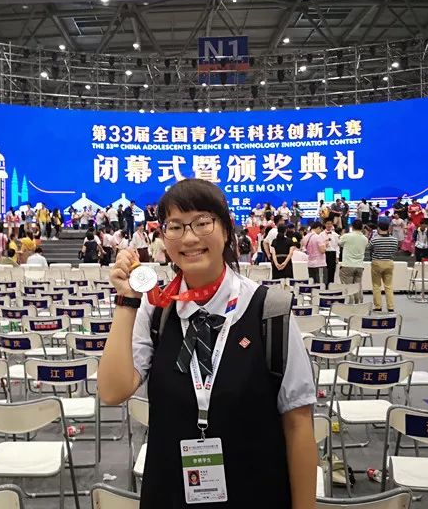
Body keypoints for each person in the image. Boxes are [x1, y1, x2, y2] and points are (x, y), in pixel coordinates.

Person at [99, 178, 317, 509]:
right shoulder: (156, 312)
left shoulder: (269, 311)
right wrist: (127, 301)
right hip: (171, 491)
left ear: (227, 229)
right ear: (164, 238)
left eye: (202, 222)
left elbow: (298, 424)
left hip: (255, 492)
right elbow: (112, 391)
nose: (189, 238)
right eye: (175, 226)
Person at [368, 222, 398, 312]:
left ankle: (378, 306)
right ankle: (390, 307)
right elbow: (395, 250)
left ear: (378, 228)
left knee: (376, 285)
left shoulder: (374, 240)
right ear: (388, 228)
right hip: (389, 262)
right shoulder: (394, 240)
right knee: (388, 286)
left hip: (377, 263)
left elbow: (369, 249)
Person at [339, 220, 368, 303]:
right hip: (359, 266)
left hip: (347, 265)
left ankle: (350, 306)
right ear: (362, 227)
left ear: (352, 226)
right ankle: (359, 304)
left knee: (348, 288)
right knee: (358, 287)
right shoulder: (365, 239)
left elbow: (339, 243)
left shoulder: (346, 236)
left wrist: (342, 234)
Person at [322, 219, 340, 284]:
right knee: (324, 272)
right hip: (324, 253)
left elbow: (337, 246)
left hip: (332, 254)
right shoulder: (321, 235)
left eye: (330, 224)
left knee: (332, 271)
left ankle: (331, 285)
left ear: (332, 224)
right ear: (325, 224)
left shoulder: (336, 235)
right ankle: (324, 286)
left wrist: (337, 256)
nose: (329, 225)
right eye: (327, 224)